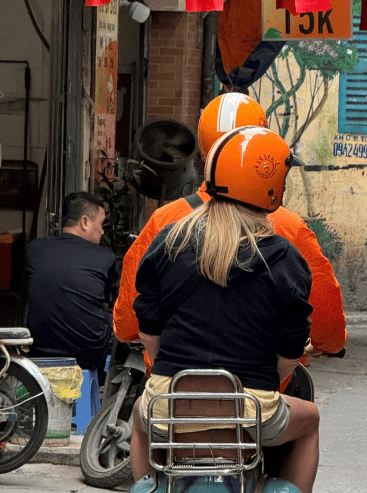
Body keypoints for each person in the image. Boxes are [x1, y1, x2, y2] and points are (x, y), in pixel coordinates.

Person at [129, 126, 319, 493]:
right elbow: (290, 352)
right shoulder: (282, 256)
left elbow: (148, 331)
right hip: (250, 409)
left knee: (140, 414)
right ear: (272, 185)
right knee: (310, 421)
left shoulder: (170, 238)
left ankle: (151, 486)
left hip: (170, 402)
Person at [113, 92, 347, 381]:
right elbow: (325, 322)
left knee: (143, 418)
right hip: (258, 395)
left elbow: (128, 322)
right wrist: (325, 344)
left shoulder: (166, 222)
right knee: (304, 417)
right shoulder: (290, 228)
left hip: (173, 394)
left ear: (202, 151)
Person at [26, 191, 116, 371]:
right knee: (113, 318)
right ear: (85, 222)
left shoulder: (34, 249)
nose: (103, 231)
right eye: (101, 223)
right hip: (87, 354)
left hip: (38, 350)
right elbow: (105, 300)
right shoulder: (105, 257)